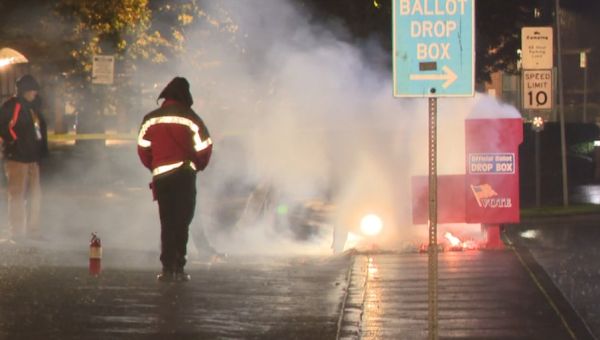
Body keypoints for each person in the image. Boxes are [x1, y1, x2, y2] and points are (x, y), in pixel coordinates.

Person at [137, 77, 213, 282]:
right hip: (184, 175)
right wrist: (198, 165)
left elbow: (143, 148)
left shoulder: (151, 118)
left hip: (161, 177)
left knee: (167, 222)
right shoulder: (191, 118)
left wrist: (154, 165)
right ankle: (178, 267)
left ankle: (167, 267)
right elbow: (205, 147)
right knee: (182, 222)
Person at [0, 74, 48, 241]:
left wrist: (40, 152)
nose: (35, 92)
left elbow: (37, 132)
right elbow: (4, 127)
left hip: (32, 158)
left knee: (35, 196)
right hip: (17, 159)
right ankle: (17, 232)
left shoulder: (32, 108)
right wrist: (14, 142)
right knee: (17, 196)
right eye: (32, 89)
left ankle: (33, 231)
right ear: (25, 90)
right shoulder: (13, 106)